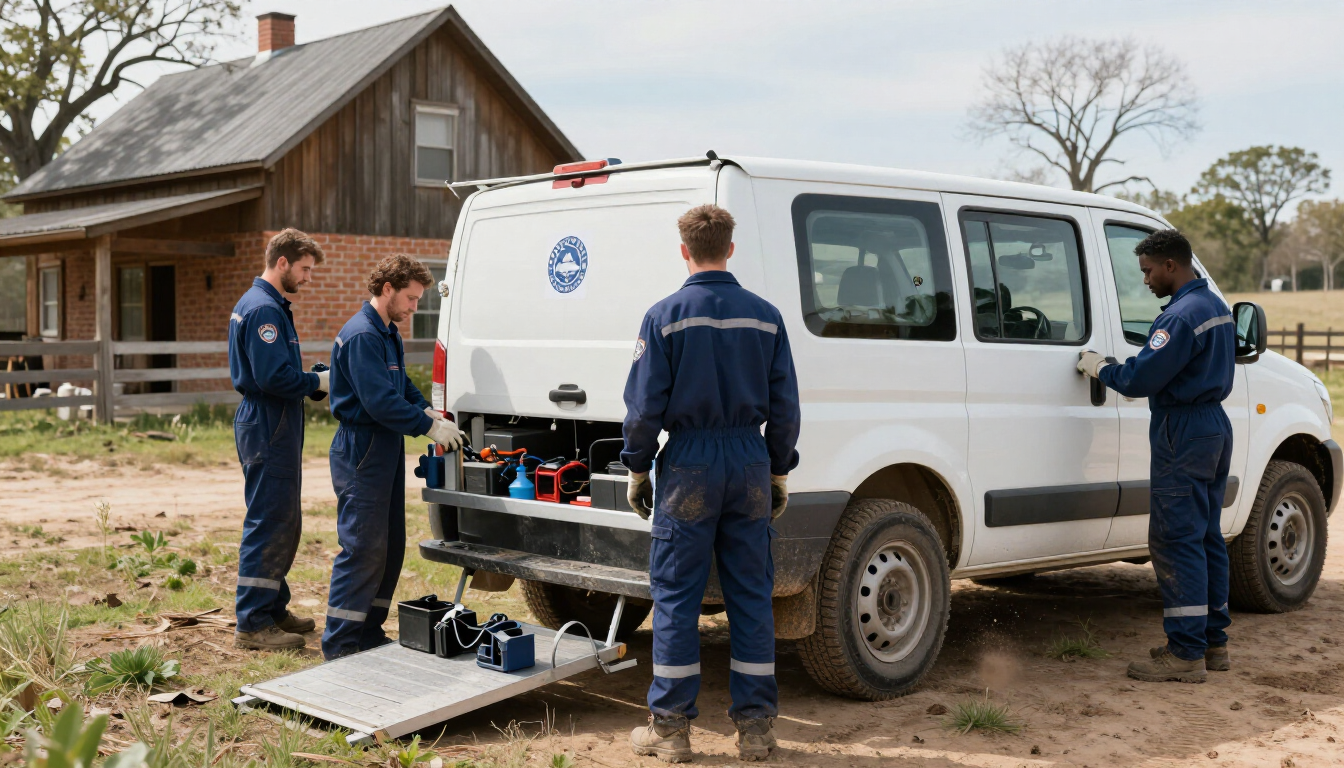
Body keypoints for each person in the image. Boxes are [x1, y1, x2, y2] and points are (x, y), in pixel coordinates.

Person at [623, 204, 802, 762]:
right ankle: (757, 732)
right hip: (748, 459)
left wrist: (636, 466)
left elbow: (642, 407)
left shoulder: (665, 315)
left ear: (685, 250)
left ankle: (671, 732)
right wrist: (777, 469)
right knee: (751, 595)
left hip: (689, 465)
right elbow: (786, 406)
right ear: (730, 248)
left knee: (676, 595)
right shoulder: (767, 317)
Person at [1077, 229, 1235, 684]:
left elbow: (1141, 379)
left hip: (1181, 430)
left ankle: (1184, 654)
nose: (1145, 279)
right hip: (1212, 426)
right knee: (1206, 536)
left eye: (1148, 270)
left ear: (1171, 265)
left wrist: (1100, 367)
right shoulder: (1215, 307)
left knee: (1175, 539)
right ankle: (1212, 644)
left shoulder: (1179, 318)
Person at [322, 254, 464, 660]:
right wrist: (429, 427)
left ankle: (367, 632)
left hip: (383, 447)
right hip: (361, 447)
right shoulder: (364, 334)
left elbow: (401, 388)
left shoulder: (388, 333)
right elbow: (380, 401)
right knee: (363, 547)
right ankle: (340, 642)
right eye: (412, 298)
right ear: (387, 290)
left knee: (389, 545)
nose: (415, 307)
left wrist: (428, 409)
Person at [228, 228, 329, 651]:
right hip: (268, 421)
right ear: (282, 262)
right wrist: (315, 381)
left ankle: (272, 607)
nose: (308, 278)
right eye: (304, 268)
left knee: (283, 519)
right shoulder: (264, 310)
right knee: (269, 519)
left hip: (273, 420)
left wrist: (311, 381)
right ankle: (252, 623)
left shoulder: (268, 306)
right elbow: (272, 377)